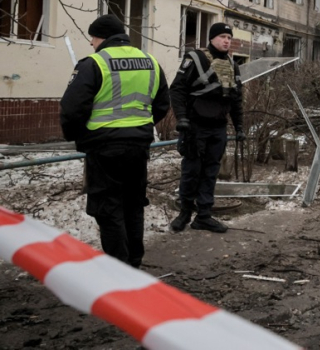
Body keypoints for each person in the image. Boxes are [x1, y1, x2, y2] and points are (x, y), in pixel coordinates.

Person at [60, 15, 170, 268]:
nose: (91, 42)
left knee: (107, 208)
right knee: (133, 203)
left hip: (104, 147)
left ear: (103, 37)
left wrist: (81, 137)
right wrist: (141, 126)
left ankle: (118, 268)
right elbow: (163, 104)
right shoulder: (150, 61)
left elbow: (71, 109)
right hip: (138, 145)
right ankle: (133, 261)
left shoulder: (94, 63)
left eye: (93, 37)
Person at [169, 23, 244, 233]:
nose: (227, 40)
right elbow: (177, 90)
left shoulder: (232, 64)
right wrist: (181, 118)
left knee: (211, 172)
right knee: (191, 170)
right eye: (222, 36)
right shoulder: (195, 58)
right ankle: (184, 213)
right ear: (211, 38)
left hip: (218, 128)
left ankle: (203, 216)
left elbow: (236, 100)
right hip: (195, 127)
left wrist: (239, 127)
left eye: (229, 37)